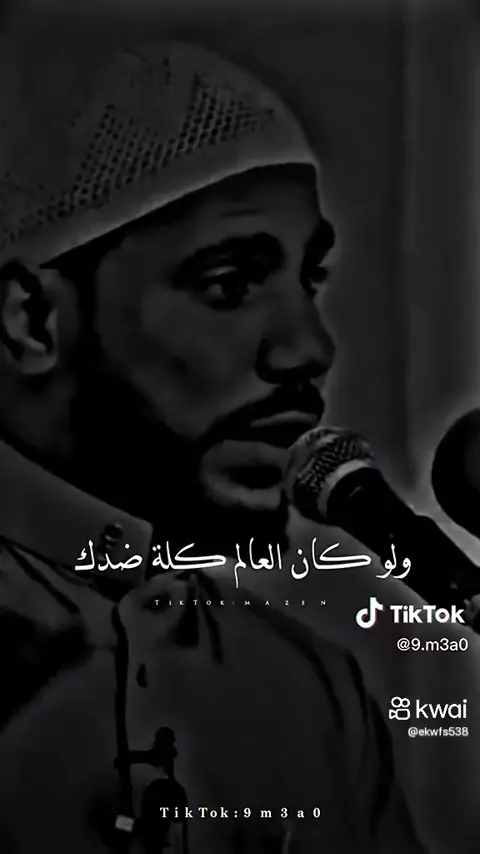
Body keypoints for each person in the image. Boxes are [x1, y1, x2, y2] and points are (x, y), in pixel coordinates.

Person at [0, 37, 478, 854]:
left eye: (309, 281)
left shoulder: (312, 692)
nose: (310, 349)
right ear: (34, 321)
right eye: (229, 284)